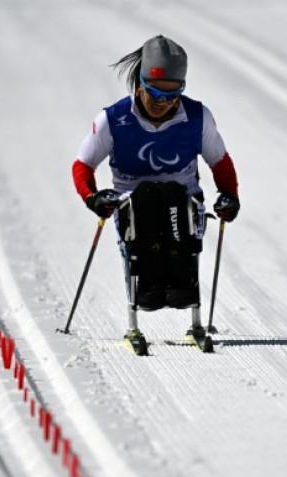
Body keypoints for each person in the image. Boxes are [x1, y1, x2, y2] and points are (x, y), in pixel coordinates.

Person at [72, 35, 240, 343]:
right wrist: (92, 198)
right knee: (148, 196)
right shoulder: (114, 119)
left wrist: (229, 195)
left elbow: (220, 162)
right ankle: (147, 290)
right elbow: (83, 165)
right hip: (134, 203)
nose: (163, 103)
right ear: (139, 84)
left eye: (173, 94)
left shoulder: (197, 117)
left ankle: (182, 290)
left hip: (183, 201)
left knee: (172, 194)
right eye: (155, 93)